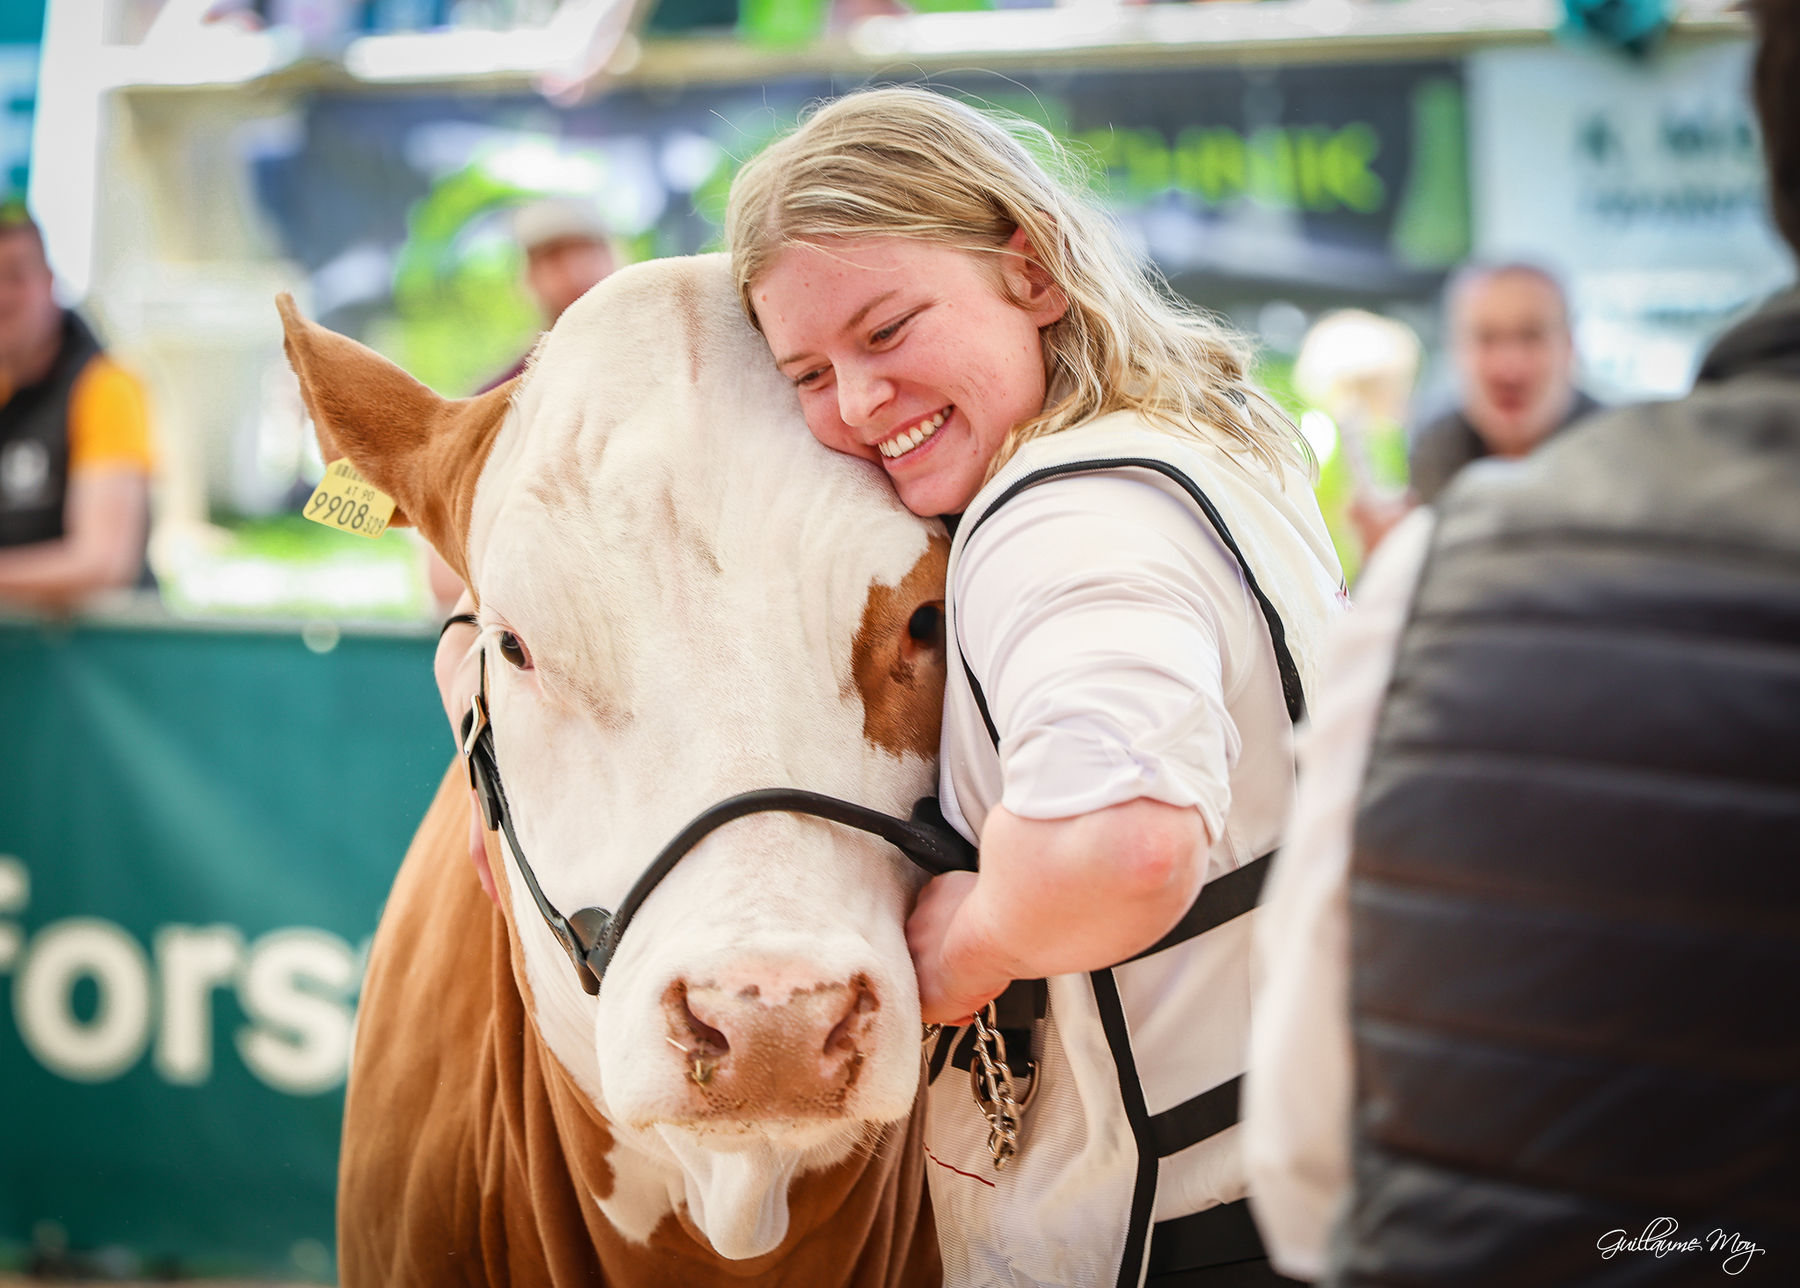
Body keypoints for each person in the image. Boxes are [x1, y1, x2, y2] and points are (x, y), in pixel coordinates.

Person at [724, 87, 1345, 1286]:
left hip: (1196, 1232)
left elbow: (1122, 849)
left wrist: (983, 935)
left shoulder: (1059, 517)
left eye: (890, 329)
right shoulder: (1206, 439)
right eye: (808, 370)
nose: (858, 402)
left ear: (1036, 270)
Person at [1244, 0, 1800, 1281]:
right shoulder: (1414, 504)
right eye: (1487, 337)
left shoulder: (1490, 537)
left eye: (1529, 338)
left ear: (1572, 350)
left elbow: (1310, 1153)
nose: (1507, 362)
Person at [0, 206, 155, 611]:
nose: (2, 297)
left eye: (15, 277)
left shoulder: (104, 385)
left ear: (50, 283)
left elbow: (102, 564)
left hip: (101, 660)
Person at [1405, 261, 1601, 506]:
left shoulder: (1619, 452)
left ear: (1570, 345)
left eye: (1531, 335)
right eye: (1486, 338)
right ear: (1455, 349)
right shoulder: (1434, 448)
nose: (1509, 368)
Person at [480, 196, 620, 391]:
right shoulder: (506, 395)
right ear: (529, 276)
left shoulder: (667, 354)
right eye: (554, 258)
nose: (575, 272)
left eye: (586, 250)